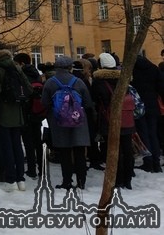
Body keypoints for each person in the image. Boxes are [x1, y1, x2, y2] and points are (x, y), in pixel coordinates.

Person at [41, 56, 93, 190]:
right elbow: (87, 103)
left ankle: (66, 181)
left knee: (64, 153)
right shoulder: (79, 82)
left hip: (59, 121)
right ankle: (81, 182)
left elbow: (44, 103)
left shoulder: (50, 83)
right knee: (79, 152)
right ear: (70, 67)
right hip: (78, 120)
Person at [0, 46, 33, 192]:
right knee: (17, 146)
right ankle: (21, 179)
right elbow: (29, 89)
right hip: (17, 112)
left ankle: (10, 180)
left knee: (6, 147)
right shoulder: (16, 67)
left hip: (2, 113)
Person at [92, 53, 135, 189]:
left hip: (109, 120)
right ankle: (127, 179)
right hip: (127, 118)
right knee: (127, 149)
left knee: (113, 151)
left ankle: (118, 179)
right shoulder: (123, 78)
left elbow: (94, 100)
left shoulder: (99, 81)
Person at [133, 54, 163, 173]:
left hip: (138, 107)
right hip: (153, 106)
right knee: (153, 134)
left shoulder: (132, 71)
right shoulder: (154, 69)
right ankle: (156, 162)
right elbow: (161, 88)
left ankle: (148, 162)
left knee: (143, 134)